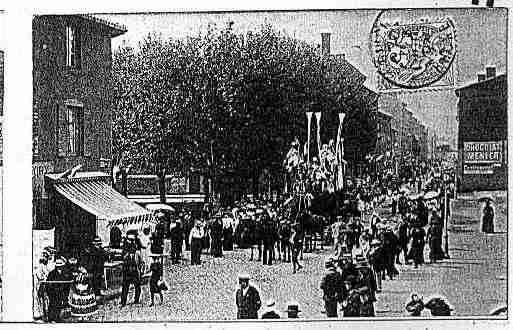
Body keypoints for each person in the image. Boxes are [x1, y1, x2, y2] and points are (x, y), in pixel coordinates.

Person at [120, 234, 143, 307]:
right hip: (127, 272)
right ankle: (123, 301)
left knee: (137, 286)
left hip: (135, 272)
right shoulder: (125, 253)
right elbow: (123, 260)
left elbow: (141, 263)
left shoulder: (137, 254)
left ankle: (136, 299)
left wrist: (141, 270)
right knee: (125, 287)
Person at [46, 258, 72, 322]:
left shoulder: (64, 273)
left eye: (60, 266)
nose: (59, 267)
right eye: (58, 266)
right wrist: (51, 291)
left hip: (61, 292)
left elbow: (67, 281)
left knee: (59, 304)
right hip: (54, 292)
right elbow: (48, 284)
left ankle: (57, 317)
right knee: (53, 304)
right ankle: (51, 318)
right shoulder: (52, 273)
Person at [34, 255, 50, 322]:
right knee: (44, 300)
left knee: (44, 300)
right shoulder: (41, 267)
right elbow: (40, 276)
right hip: (42, 285)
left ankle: (44, 314)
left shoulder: (44, 267)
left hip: (43, 284)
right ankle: (44, 315)